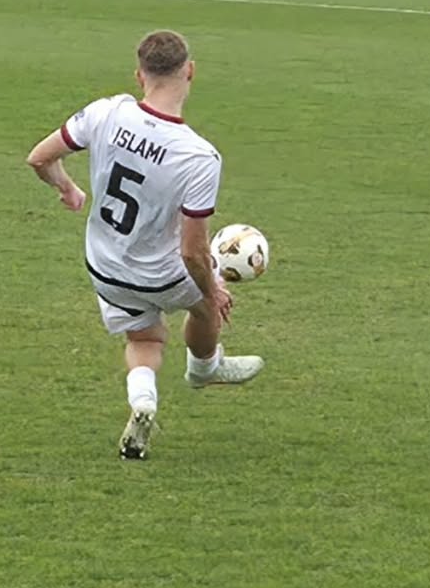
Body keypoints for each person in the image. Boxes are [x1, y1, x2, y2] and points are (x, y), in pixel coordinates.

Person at [24, 30, 263, 460]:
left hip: (105, 268)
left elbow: (40, 157)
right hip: (161, 274)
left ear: (139, 75)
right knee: (206, 302)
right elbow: (192, 251)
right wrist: (213, 290)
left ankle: (143, 403)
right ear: (190, 71)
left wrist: (67, 190)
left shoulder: (106, 111)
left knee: (146, 339)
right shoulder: (198, 156)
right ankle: (205, 368)